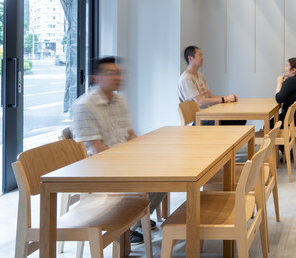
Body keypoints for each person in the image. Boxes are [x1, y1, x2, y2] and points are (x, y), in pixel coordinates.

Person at [70, 56, 165, 244]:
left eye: (119, 73)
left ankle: (134, 219)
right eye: (110, 73)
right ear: (94, 78)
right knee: (153, 178)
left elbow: (130, 135)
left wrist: (149, 152)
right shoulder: (84, 106)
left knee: (166, 173)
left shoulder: (119, 100)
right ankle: (128, 227)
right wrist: (131, 163)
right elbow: (97, 150)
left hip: (124, 159)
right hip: (100, 167)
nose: (117, 77)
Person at [177, 45, 245, 125]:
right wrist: (224, 99)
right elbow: (200, 102)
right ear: (190, 58)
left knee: (241, 119)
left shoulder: (200, 76)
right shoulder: (186, 79)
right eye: (199, 55)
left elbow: (209, 96)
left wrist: (228, 98)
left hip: (208, 113)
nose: (202, 58)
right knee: (235, 121)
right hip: (199, 119)